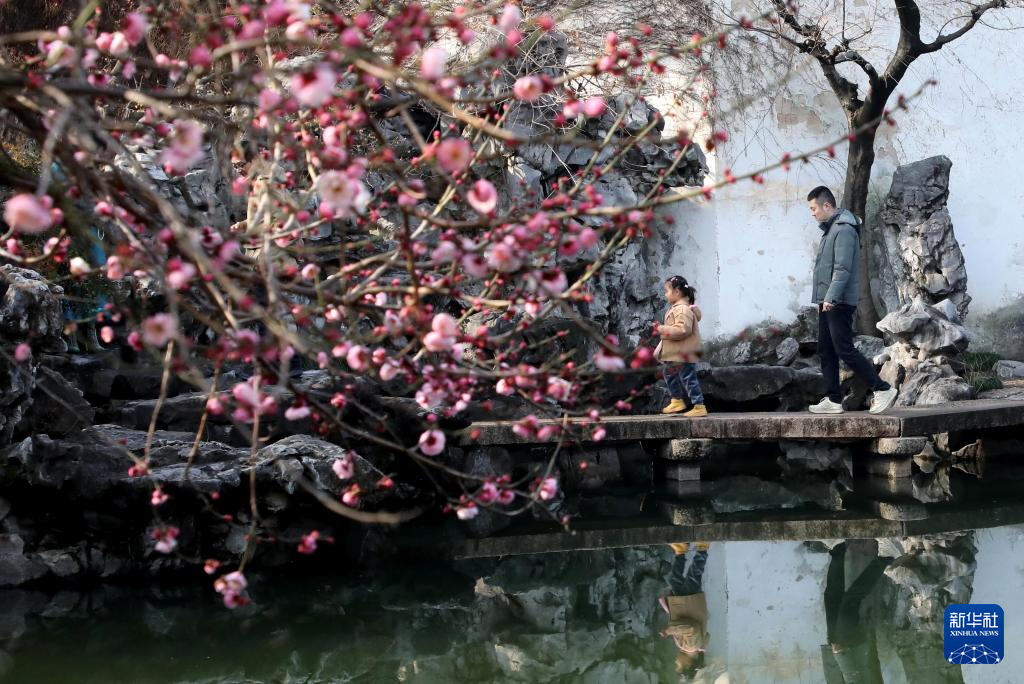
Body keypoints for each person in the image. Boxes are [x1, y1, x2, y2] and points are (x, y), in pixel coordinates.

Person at [806, 186, 898, 415]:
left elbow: (843, 269)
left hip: (838, 301)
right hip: (828, 301)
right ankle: (833, 399)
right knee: (825, 350)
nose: (812, 213)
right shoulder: (830, 229)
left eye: (813, 208)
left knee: (843, 349)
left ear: (827, 205)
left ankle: (883, 388)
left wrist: (831, 297)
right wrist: (824, 300)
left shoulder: (844, 229)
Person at [655, 275, 707, 418]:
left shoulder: (682, 310)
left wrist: (662, 329)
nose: (665, 294)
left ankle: (699, 406)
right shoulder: (678, 308)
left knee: (688, 378)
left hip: (683, 354)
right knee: (670, 374)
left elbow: (683, 329)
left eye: (667, 291)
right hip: (675, 353)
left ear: (677, 292)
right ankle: (677, 400)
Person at [660, 542, 711, 679]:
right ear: (688, 664)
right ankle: (702, 547)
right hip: (690, 601)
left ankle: (681, 551)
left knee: (675, 579)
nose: (676, 662)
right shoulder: (691, 646)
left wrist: (703, 645)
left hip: (682, 602)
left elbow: (707, 636)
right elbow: (691, 628)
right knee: (694, 574)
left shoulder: (696, 646)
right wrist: (669, 631)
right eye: (678, 665)